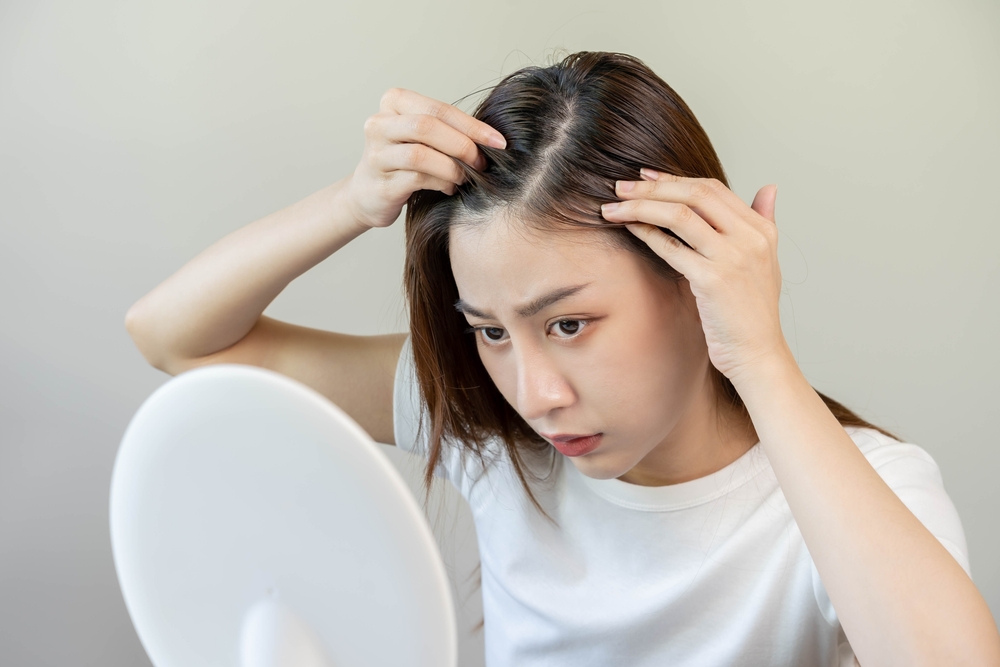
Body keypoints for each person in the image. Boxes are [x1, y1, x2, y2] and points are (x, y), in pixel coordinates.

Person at [125, 51, 1000, 666]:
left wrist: (760, 355)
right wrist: (352, 203)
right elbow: (174, 338)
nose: (535, 394)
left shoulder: (866, 488)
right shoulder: (485, 427)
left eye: (570, 323)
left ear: (694, 276)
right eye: (491, 331)